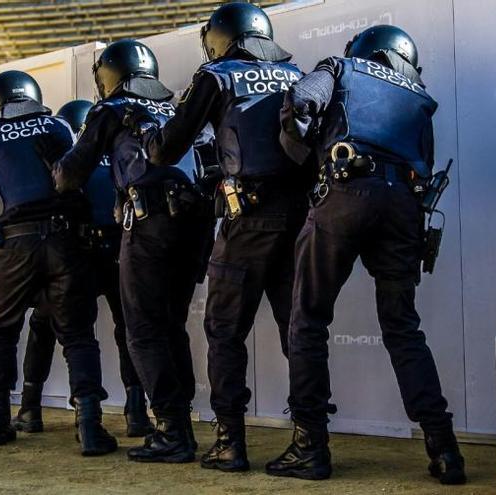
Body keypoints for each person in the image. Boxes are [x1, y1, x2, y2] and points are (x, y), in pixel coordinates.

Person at [265, 25, 466, 484]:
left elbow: (304, 100)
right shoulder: (419, 95)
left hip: (346, 190)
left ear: (364, 51)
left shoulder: (341, 67)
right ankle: (445, 450)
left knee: (308, 320)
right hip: (405, 209)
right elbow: (426, 164)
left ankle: (309, 447)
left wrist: (298, 147)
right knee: (402, 328)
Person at [141, 2, 306, 472]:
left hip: (247, 221)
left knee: (225, 332)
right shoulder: (297, 75)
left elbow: (167, 148)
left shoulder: (217, 75)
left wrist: (151, 130)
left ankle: (230, 442)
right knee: (299, 333)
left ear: (220, 38)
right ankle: (310, 440)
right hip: (299, 220)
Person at [52, 39, 213, 463]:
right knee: (172, 327)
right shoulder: (173, 107)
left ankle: (172, 432)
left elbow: (69, 176)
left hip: (150, 222)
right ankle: (180, 427)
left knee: (142, 330)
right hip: (195, 223)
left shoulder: (108, 109)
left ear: (108, 76)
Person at [0, 70, 117, 455]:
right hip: (66, 241)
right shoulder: (60, 126)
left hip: (14, 246)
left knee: (4, 330)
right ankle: (91, 428)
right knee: (78, 335)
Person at [12, 99, 153, 438]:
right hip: (119, 250)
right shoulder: (119, 151)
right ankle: (136, 413)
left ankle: (36, 409)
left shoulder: (70, 158)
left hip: (76, 254)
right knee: (127, 331)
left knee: (52, 329)